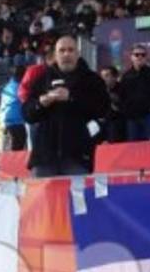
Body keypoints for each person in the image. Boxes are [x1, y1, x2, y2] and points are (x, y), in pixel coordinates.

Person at [22, 35, 110, 177]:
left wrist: (71, 98)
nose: (66, 54)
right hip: (44, 158)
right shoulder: (42, 79)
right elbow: (27, 114)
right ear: (55, 55)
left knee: (77, 199)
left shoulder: (92, 79)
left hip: (78, 156)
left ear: (78, 53)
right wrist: (41, 103)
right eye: (62, 51)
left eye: (70, 50)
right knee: (43, 199)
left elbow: (103, 109)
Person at [117, 45, 150, 142]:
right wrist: (127, 111)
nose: (140, 57)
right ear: (131, 57)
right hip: (132, 118)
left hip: (149, 116)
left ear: (146, 57)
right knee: (133, 148)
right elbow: (121, 97)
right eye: (137, 54)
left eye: (143, 55)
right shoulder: (126, 76)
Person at [0, 66, 27, 152]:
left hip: (7, 123)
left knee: (12, 150)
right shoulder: (19, 88)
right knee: (15, 152)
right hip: (16, 123)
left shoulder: (8, 86)